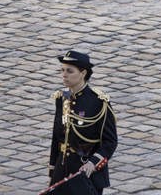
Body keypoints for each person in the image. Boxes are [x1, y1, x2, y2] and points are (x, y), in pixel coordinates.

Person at [49, 50, 117, 194]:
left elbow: (110, 141)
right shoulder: (61, 99)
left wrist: (93, 163)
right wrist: (53, 169)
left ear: (83, 73)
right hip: (62, 169)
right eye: (62, 70)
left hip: (86, 172)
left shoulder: (98, 102)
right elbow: (57, 138)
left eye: (69, 71)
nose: (64, 74)